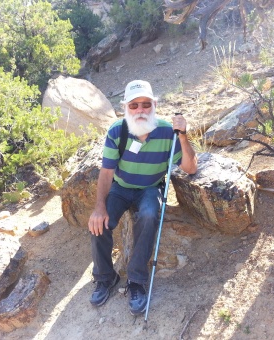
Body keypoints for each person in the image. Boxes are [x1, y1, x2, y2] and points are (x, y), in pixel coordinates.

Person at [88, 79, 197, 315]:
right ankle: (105, 277)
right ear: (125, 107)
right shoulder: (117, 131)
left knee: (148, 215)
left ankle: (136, 281)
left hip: (150, 187)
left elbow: (190, 168)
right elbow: (107, 172)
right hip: (121, 186)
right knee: (99, 224)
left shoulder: (169, 132)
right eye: (134, 105)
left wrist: (183, 135)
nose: (140, 110)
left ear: (154, 105)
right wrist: (99, 208)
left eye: (145, 104)